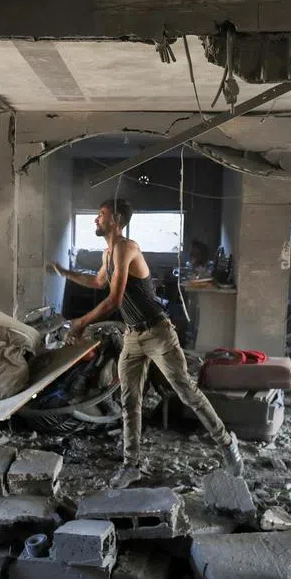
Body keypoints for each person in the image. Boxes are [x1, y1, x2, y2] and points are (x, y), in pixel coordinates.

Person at [49, 198, 243, 488]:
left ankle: (227, 444)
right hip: (132, 336)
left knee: (186, 392)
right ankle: (131, 465)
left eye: (100, 215)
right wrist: (66, 273)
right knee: (129, 400)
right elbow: (98, 283)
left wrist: (81, 322)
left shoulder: (127, 248)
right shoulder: (108, 253)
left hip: (158, 333)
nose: (95, 220)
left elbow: (114, 299)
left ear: (115, 219)